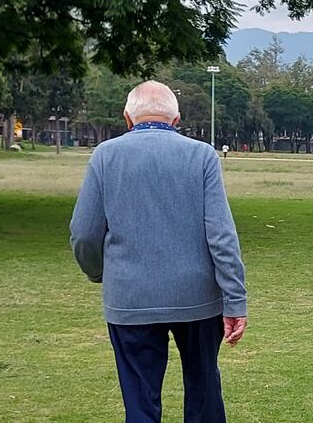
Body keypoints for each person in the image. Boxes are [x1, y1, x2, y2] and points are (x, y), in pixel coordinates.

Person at [70, 81, 247, 423]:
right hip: (196, 297)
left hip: (130, 297)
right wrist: (234, 299)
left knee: (140, 400)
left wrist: (97, 271)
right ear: (176, 119)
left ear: (127, 118)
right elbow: (222, 236)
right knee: (204, 391)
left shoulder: (105, 155)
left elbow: (84, 233)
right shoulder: (201, 155)